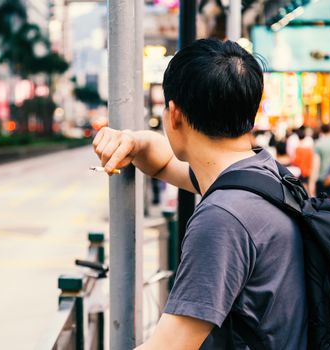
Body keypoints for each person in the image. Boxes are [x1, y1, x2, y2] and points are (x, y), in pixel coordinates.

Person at [93, 39, 306, 349]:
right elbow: (164, 161)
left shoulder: (223, 218)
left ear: (174, 115)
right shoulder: (264, 175)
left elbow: (168, 347)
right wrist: (133, 142)